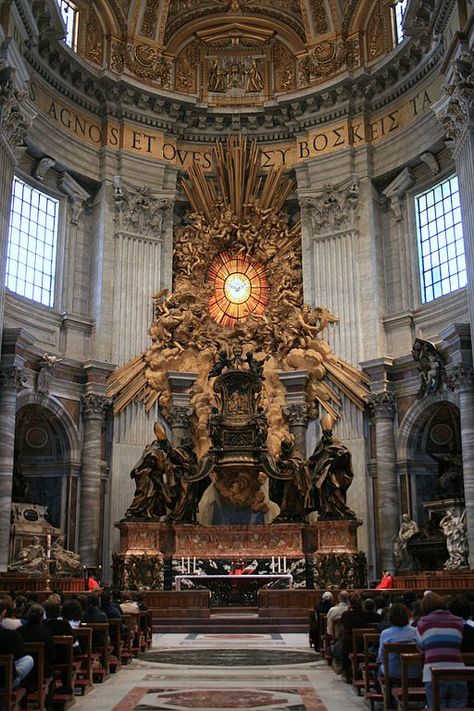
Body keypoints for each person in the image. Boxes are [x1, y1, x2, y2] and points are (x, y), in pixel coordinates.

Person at [416, 592, 466, 709]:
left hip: (433, 673)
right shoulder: (458, 621)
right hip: (458, 672)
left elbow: (420, 647)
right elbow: (459, 643)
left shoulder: (423, 623)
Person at [308, 415, 356, 520]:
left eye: (328, 433)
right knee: (321, 490)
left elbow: (345, 453)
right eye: (325, 433)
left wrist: (335, 458)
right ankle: (327, 510)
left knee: (335, 490)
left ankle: (339, 509)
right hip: (322, 472)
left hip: (335, 473)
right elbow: (315, 456)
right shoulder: (321, 443)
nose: (326, 435)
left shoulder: (336, 442)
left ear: (331, 433)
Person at [125, 421, 173, 519]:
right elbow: (157, 461)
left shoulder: (160, 449)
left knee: (154, 496)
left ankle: (148, 512)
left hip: (155, 477)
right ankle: (133, 510)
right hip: (146, 475)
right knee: (145, 494)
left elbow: (164, 465)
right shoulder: (153, 448)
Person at [377, 603, 417, 679]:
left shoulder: (386, 633)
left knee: (379, 669)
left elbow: (381, 657)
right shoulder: (416, 631)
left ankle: (379, 689)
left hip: (392, 671)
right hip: (414, 671)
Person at [0, 600, 34, 688]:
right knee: (28, 659)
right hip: (5, 681)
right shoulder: (11, 635)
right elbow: (19, 654)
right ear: (3, 614)